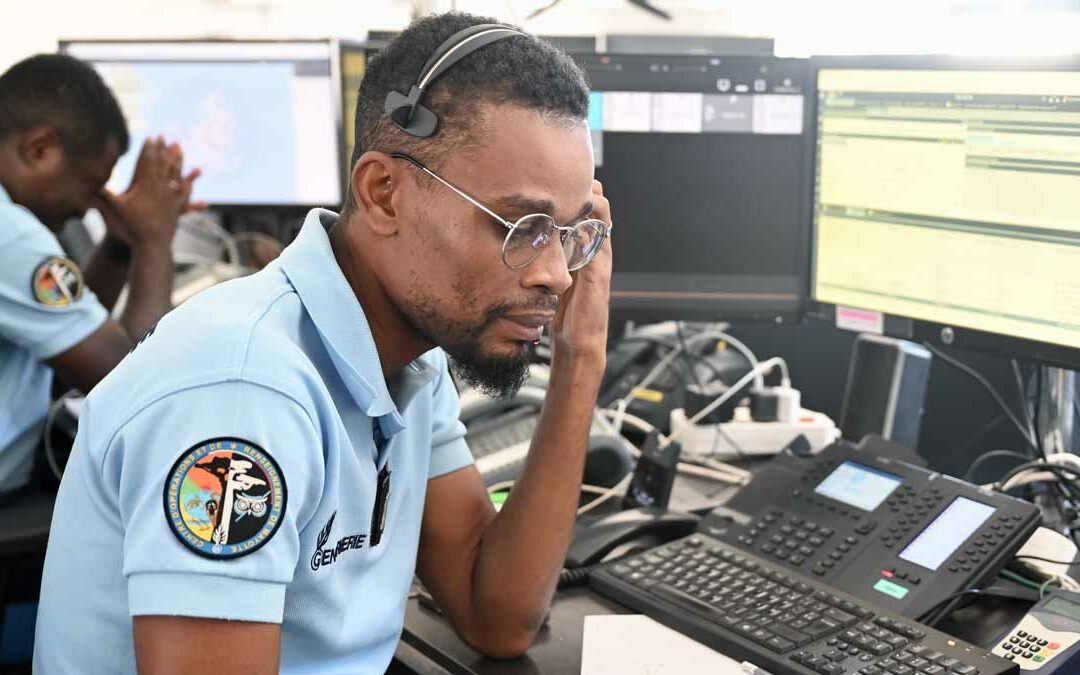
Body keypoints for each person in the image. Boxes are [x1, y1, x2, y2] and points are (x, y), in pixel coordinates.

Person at [35, 11, 612, 674]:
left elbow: (497, 614)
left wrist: (581, 354)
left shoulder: (411, 358)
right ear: (384, 193)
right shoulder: (245, 390)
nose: (555, 273)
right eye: (521, 224)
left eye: (571, 232)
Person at [0, 53, 200, 497]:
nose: (88, 205)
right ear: (39, 150)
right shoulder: (11, 236)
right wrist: (153, 238)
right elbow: (134, 387)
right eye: (91, 184)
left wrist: (120, 242)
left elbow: (62, 349)